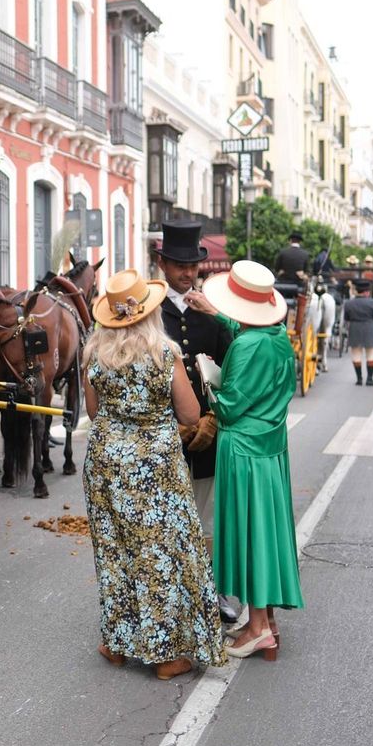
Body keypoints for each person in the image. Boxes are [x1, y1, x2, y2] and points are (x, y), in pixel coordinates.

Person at [82, 270, 227, 680]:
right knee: (159, 555)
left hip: (105, 463)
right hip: (154, 467)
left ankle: (115, 641)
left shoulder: (93, 353)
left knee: (114, 551)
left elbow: (94, 414)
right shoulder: (165, 354)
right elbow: (190, 414)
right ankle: (165, 656)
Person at [202, 260, 302, 661]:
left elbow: (228, 407)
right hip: (272, 446)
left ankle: (258, 628)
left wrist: (209, 378)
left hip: (242, 448)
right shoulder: (280, 339)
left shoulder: (245, 346)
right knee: (268, 533)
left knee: (248, 535)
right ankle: (267, 621)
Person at [153, 221, 232, 548]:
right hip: (164, 431)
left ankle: (211, 590)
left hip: (207, 430)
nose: (187, 273)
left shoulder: (214, 308)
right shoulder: (151, 310)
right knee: (165, 515)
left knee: (207, 515)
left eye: (192, 266)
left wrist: (213, 418)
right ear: (163, 265)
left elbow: (231, 362)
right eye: (179, 266)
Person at [343, 279, 373, 386]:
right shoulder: (371, 302)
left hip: (355, 329)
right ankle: (369, 378)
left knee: (356, 355)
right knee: (371, 354)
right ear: (366, 291)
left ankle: (359, 378)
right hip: (370, 328)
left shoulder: (349, 303)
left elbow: (346, 317)